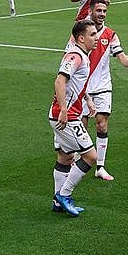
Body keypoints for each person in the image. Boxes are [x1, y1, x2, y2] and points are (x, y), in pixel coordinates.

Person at [76, 0, 128, 181]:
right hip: (83, 86)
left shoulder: (110, 34)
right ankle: (79, 159)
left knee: (102, 124)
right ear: (91, 11)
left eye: (104, 11)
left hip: (102, 86)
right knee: (82, 125)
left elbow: (119, 53)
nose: (102, 14)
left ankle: (100, 167)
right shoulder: (81, 31)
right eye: (99, 10)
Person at [50, 19, 98, 216]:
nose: (96, 38)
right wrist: (63, 109)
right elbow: (60, 81)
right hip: (66, 117)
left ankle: (57, 201)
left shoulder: (82, 56)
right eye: (92, 35)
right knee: (91, 156)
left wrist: (88, 100)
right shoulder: (75, 56)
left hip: (67, 113)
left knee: (65, 156)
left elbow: (76, 84)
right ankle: (64, 194)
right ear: (81, 38)